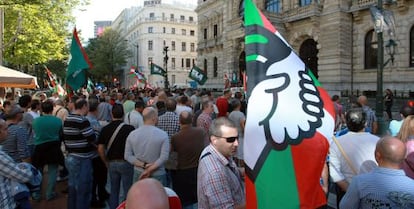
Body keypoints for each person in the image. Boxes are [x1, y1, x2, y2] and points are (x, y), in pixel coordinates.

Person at [339, 137, 414, 208]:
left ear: (377, 155)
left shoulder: (360, 181)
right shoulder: (412, 185)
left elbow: (345, 206)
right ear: (404, 158)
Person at [329, 108, 380, 208]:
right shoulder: (378, 141)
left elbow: (335, 173)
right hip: (371, 190)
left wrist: (350, 191)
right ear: (365, 123)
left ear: (347, 123)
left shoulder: (336, 143)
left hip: (345, 190)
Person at [197, 117, 245, 209]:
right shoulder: (215, 173)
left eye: (237, 138)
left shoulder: (214, 151)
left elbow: (227, 171)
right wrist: (254, 203)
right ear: (214, 140)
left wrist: (239, 172)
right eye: (230, 139)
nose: (236, 143)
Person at [98, 104, 135, 209]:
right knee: (127, 189)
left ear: (111, 114)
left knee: (114, 190)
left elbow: (100, 149)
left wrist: (105, 161)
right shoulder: (130, 128)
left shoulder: (105, 129)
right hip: (126, 162)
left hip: (112, 162)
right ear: (123, 114)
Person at [63, 98, 96, 209]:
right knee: (84, 189)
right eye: (87, 107)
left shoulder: (67, 118)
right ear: (83, 107)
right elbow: (92, 138)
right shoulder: (82, 120)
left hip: (71, 157)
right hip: (82, 159)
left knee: (72, 187)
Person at [124, 107, 170, 186]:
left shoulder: (132, 134)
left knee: (140, 197)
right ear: (154, 118)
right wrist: (150, 169)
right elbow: (164, 157)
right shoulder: (163, 135)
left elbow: (127, 156)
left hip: (139, 171)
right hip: (158, 173)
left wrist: (143, 165)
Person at [171, 111, 206, 209]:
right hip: (198, 169)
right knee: (199, 197)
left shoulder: (175, 137)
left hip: (183, 172)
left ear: (179, 121)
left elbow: (172, 155)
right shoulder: (201, 132)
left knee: (185, 201)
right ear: (192, 120)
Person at [31, 99, 64, 201]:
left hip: (39, 147)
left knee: (38, 171)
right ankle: (50, 193)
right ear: (52, 109)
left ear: (42, 109)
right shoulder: (57, 121)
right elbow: (60, 134)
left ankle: (37, 194)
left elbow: (34, 133)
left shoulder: (36, 121)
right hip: (54, 147)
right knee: (53, 171)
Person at [0, 119, 34, 209]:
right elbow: (24, 176)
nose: (8, 131)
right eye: (5, 129)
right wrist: (27, 168)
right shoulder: (0, 157)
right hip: (7, 203)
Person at [156, 98, 180, 187]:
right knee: (174, 174)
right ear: (175, 107)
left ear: (165, 107)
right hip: (174, 149)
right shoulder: (178, 119)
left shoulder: (159, 119)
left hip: (162, 149)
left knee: (164, 173)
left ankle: (165, 191)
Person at [228, 99, 246, 166]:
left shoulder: (230, 114)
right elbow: (242, 125)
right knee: (241, 155)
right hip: (240, 136)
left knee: (235, 154)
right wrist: (245, 133)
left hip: (233, 136)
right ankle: (242, 169)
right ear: (239, 105)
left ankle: (235, 167)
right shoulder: (241, 114)